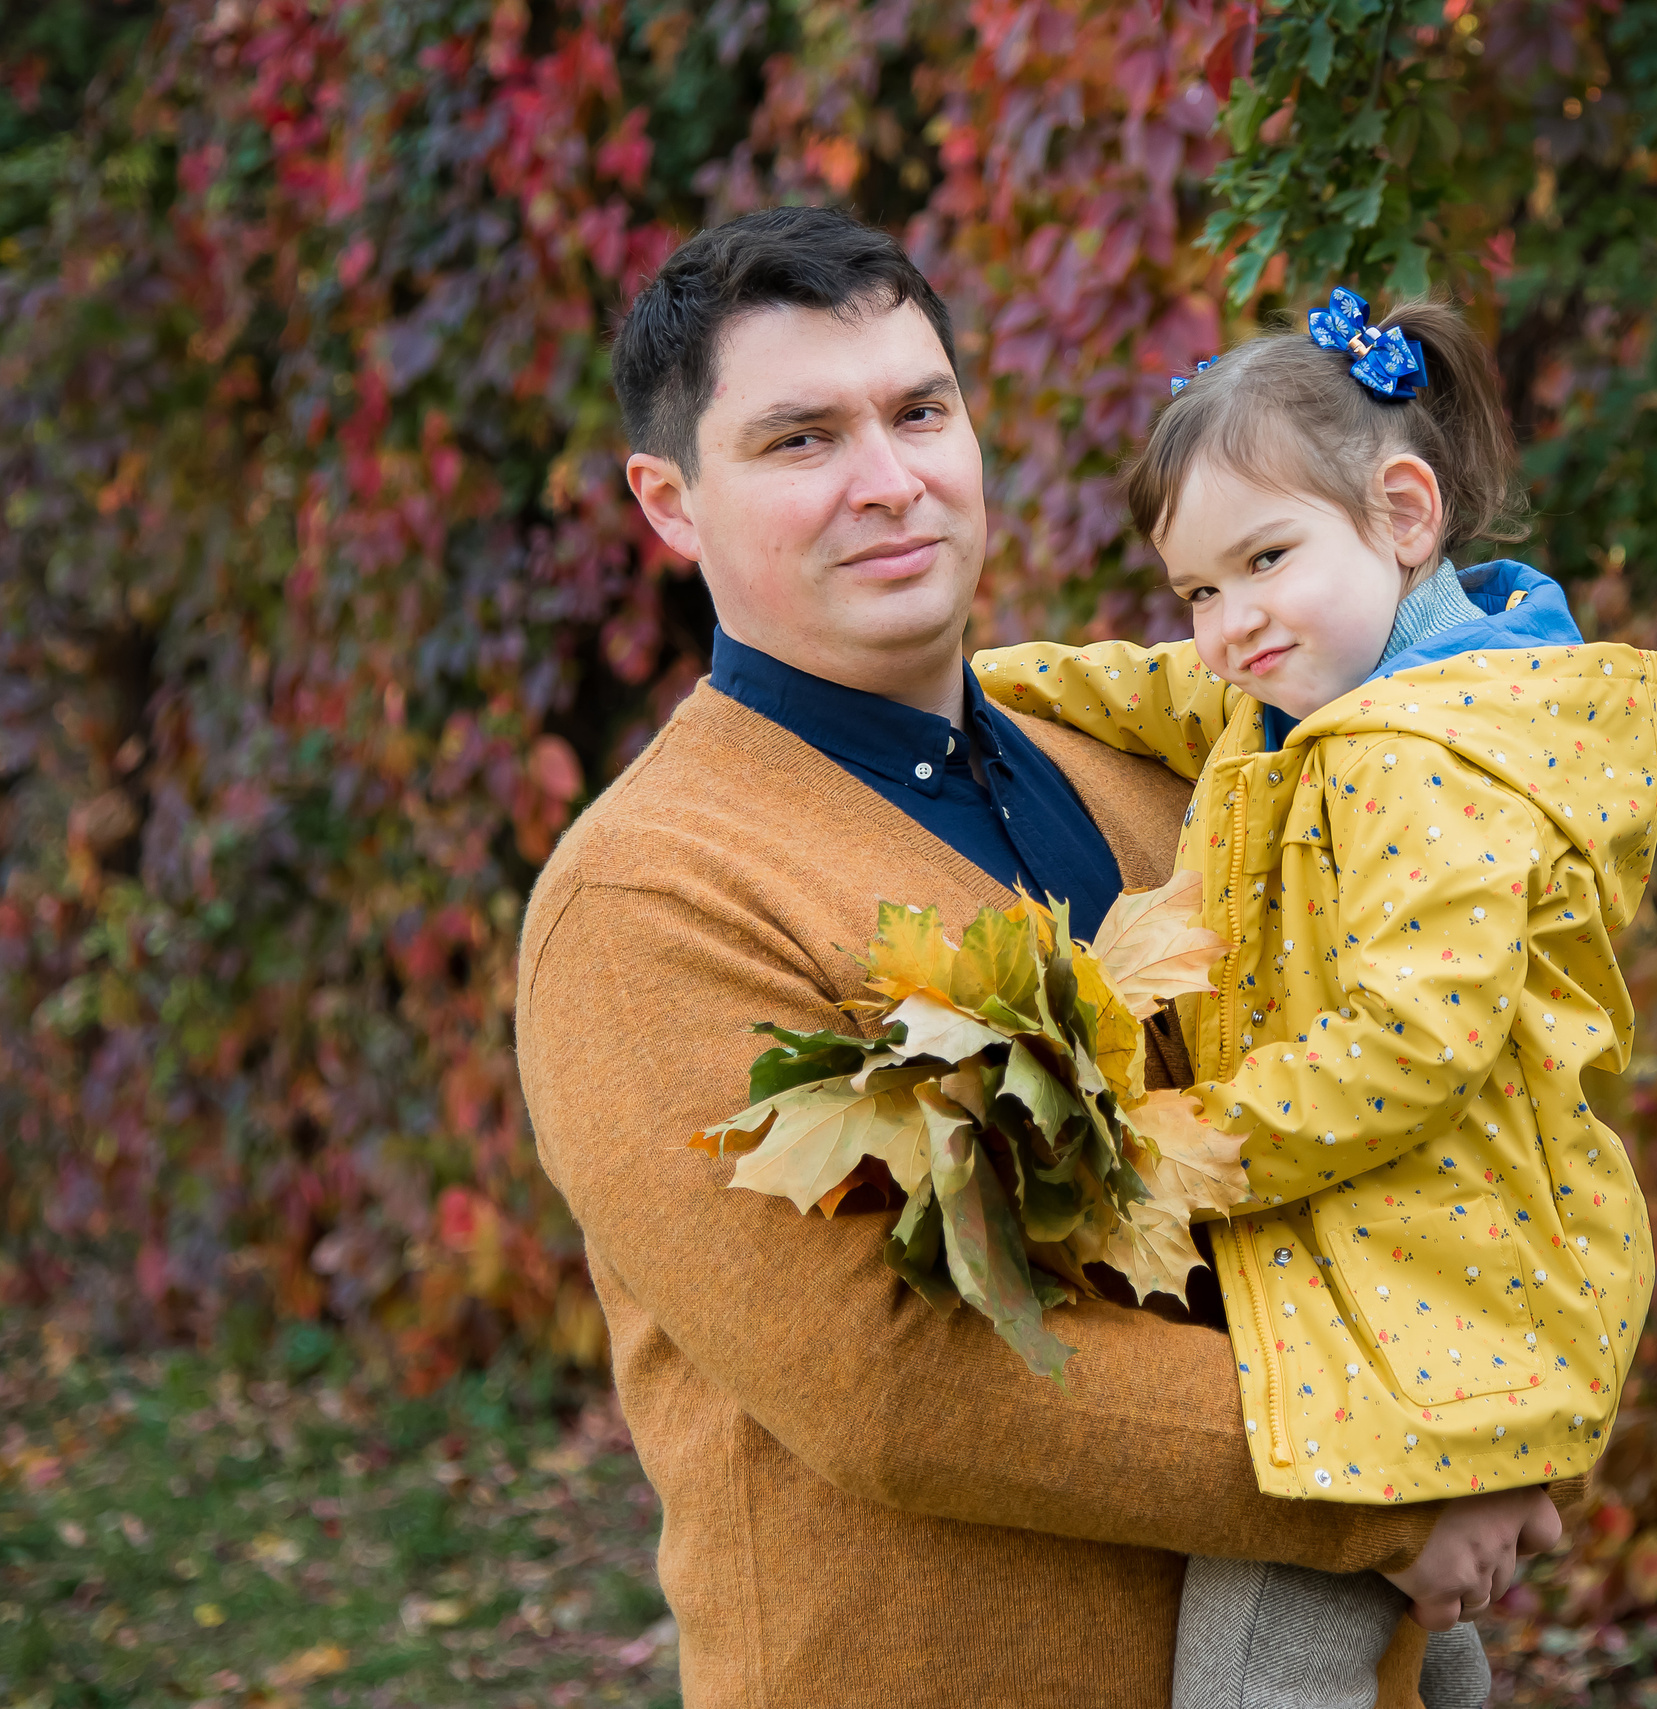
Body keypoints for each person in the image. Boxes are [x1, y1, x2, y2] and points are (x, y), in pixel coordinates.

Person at [513, 209, 1563, 1709]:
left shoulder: (1175, 765)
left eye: (920, 410)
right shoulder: (643, 902)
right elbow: (891, 1379)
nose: (890, 481)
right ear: (669, 504)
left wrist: (1510, 1391)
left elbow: (1439, 1096)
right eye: (802, 439)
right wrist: (1392, 1467)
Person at [972, 289, 1657, 1709]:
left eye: (1262, 560)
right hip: (1408, 1274)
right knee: (1420, 1648)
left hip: (1420, 1280)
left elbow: (1410, 1044)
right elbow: (1168, 691)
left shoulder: (1423, 764)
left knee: (1258, 1669)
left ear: (1406, 512)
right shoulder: (1317, 693)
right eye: (1197, 587)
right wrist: (970, 679)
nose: (1228, 624)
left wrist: (1181, 1148)